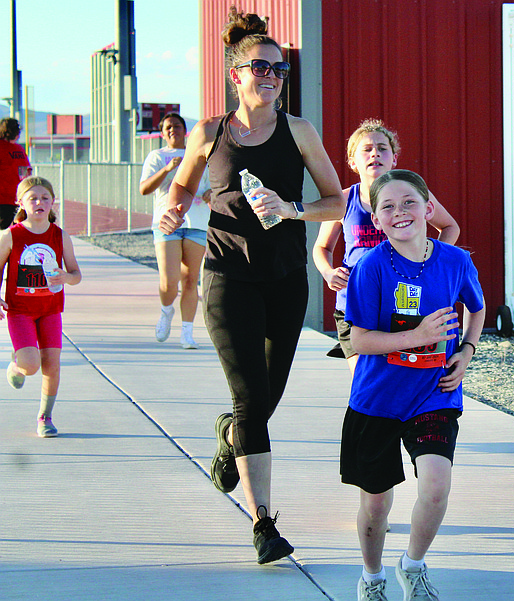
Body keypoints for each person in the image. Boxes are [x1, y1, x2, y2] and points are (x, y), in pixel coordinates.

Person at [158, 9, 345, 564]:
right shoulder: (208, 132)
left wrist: (293, 209)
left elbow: (338, 200)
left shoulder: (299, 131)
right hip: (226, 277)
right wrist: (173, 211)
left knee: (262, 402)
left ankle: (228, 435)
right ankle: (263, 521)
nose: (270, 76)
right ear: (234, 74)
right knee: (250, 398)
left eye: (279, 69)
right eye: (259, 67)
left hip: (286, 280)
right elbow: (183, 188)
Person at [342, 169, 485, 601]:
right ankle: (372, 576)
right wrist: (417, 337)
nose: (399, 212)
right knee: (376, 505)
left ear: (428, 209)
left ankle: (413, 565)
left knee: (436, 486)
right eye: (387, 206)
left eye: (408, 202)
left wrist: (468, 351)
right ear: (376, 220)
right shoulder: (370, 268)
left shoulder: (455, 261)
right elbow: (357, 339)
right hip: (377, 400)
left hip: (434, 394)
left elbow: (475, 309)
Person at [313, 119, 460, 373]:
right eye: (367, 149)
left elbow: (450, 228)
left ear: (394, 159)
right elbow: (322, 248)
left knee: (402, 378)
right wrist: (328, 272)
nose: (375, 154)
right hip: (355, 303)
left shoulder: (414, 195)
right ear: (352, 162)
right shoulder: (344, 200)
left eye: (382, 148)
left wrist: (428, 264)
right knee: (365, 381)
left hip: (403, 301)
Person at [0, 176, 82, 437]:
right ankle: (17, 365)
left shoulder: (60, 236)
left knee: (52, 364)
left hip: (50, 309)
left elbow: (76, 274)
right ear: (20, 202)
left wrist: (66, 278)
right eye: (33, 198)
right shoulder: (11, 236)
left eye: (45, 198)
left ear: (53, 202)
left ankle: (45, 417)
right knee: (31, 365)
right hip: (20, 309)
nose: (39, 202)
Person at [140, 112, 211, 349]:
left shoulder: (199, 155)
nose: (173, 130)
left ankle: (187, 333)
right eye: (168, 127)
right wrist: (167, 169)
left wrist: (211, 194)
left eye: (177, 126)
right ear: (162, 132)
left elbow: (211, 187)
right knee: (169, 280)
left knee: (190, 280)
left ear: (185, 130)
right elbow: (144, 189)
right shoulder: (157, 156)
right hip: (167, 222)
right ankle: (166, 310)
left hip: (197, 222)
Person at [0, 118, 32, 230]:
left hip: (4, 198)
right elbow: (26, 173)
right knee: (14, 232)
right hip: (17, 197)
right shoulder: (19, 149)